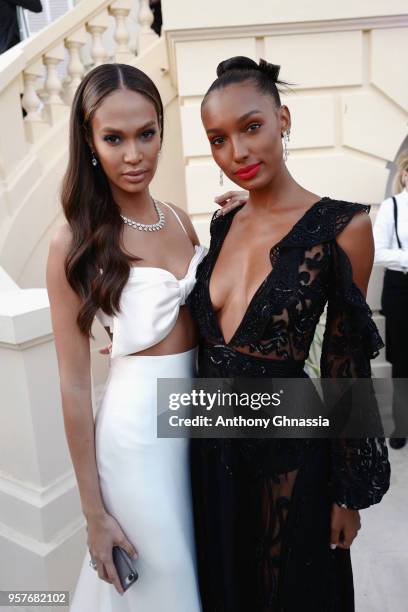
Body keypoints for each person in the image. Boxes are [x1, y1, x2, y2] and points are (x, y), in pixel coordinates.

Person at [186, 56, 391, 612]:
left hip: (290, 463)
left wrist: (347, 495)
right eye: (218, 140)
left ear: (284, 119)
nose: (238, 154)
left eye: (251, 127)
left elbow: (344, 368)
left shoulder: (344, 227)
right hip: (209, 454)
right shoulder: (224, 223)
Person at [46, 63, 205, 610]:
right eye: (113, 138)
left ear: (162, 128)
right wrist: (93, 513)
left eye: (146, 134)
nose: (133, 155)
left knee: (204, 567)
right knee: (166, 584)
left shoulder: (182, 221)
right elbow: (71, 386)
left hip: (200, 425)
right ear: (89, 141)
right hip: (137, 442)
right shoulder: (75, 241)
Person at [374, 150, 408, 449]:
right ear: (406, 175)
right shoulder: (392, 207)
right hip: (401, 288)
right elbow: (377, 252)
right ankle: (401, 426)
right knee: (401, 360)